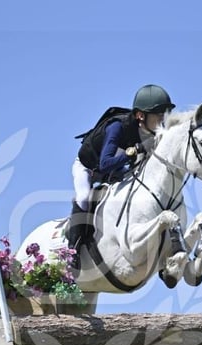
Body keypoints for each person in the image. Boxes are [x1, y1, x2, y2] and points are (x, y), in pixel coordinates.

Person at [67, 84, 176, 270]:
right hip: (88, 168)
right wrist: (136, 151)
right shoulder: (117, 127)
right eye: (158, 115)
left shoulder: (147, 131)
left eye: (164, 115)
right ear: (141, 115)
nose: (162, 120)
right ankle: (72, 250)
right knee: (84, 198)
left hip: (114, 171)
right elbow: (105, 163)